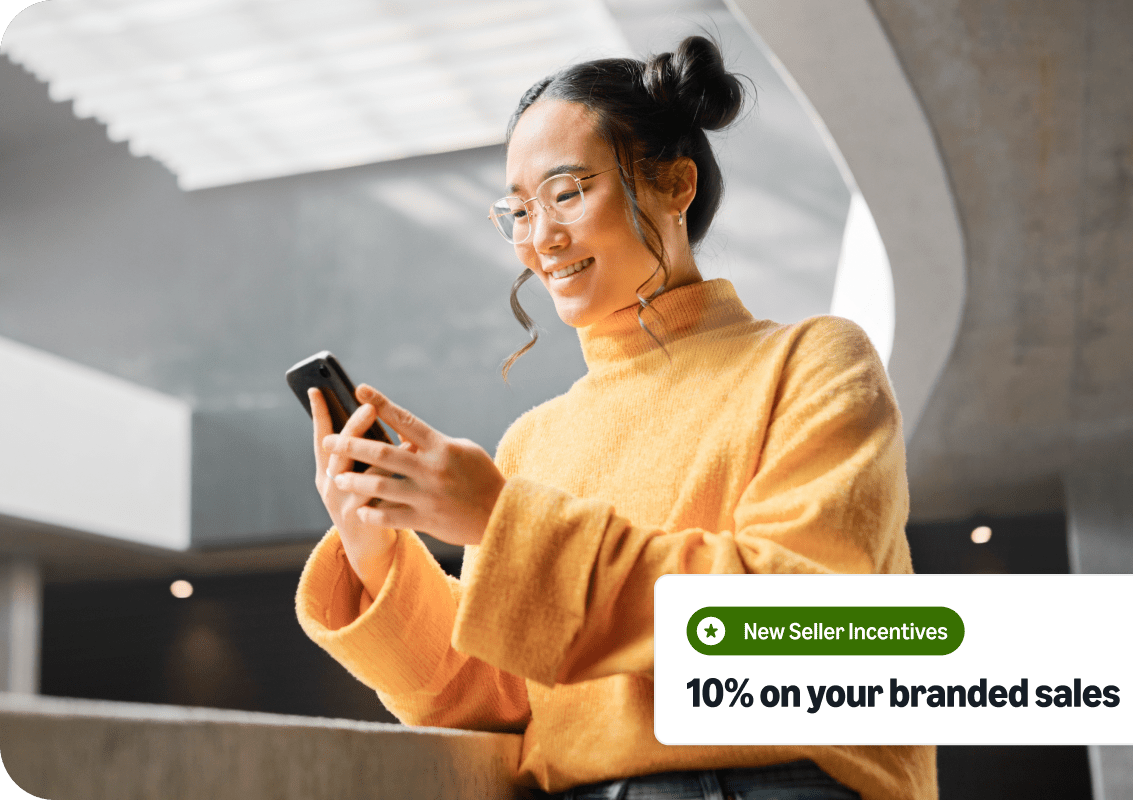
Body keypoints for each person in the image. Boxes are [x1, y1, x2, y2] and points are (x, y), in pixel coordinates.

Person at [296, 36, 937, 800]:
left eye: (567, 193)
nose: (540, 238)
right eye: (519, 210)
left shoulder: (812, 361)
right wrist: (375, 553)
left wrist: (500, 520)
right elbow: (491, 699)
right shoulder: (533, 442)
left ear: (675, 183)